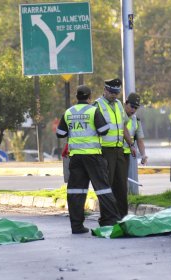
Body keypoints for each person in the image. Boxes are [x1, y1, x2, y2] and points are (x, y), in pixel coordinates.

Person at [56, 85, 121, 234]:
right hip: (93, 156)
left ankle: (77, 226)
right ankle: (111, 222)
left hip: (76, 158)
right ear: (89, 97)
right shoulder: (93, 111)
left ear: (77, 96)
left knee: (75, 191)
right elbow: (104, 130)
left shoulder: (69, 112)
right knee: (103, 189)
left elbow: (60, 133)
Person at [93, 78, 136, 219]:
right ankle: (107, 216)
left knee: (121, 185)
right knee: (107, 185)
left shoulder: (118, 105)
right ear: (105, 90)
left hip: (119, 150)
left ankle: (122, 216)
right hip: (105, 150)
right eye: (111, 92)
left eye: (116, 92)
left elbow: (123, 126)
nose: (114, 95)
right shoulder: (97, 105)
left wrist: (130, 144)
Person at [123, 93, 148, 166]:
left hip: (126, 154)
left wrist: (143, 155)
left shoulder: (136, 120)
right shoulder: (118, 116)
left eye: (136, 108)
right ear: (126, 103)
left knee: (123, 177)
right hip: (114, 152)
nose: (133, 110)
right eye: (132, 106)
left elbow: (140, 140)